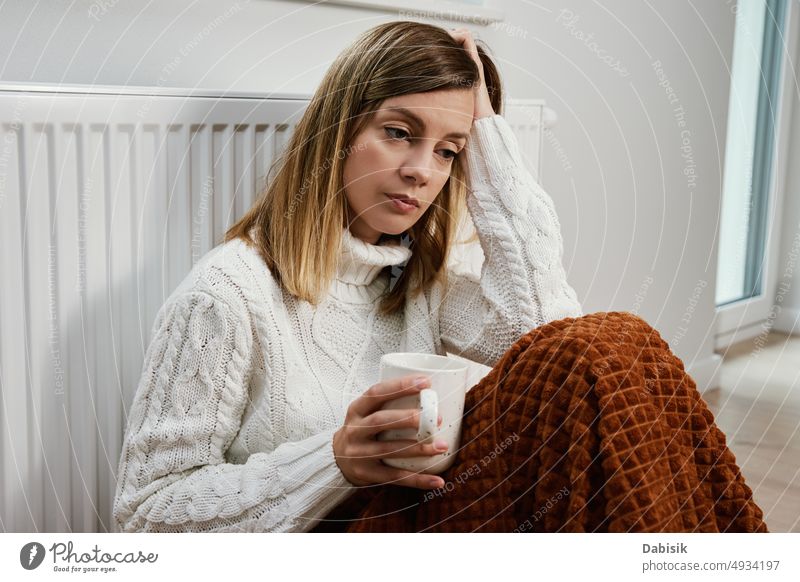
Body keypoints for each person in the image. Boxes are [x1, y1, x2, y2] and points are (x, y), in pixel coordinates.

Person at [112, 21, 765, 533]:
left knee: (613, 343)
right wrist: (333, 462)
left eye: (447, 151)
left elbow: (558, 345)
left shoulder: (420, 281)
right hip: (337, 540)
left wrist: (486, 133)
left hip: (423, 516)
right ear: (337, 133)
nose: (423, 170)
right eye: (400, 133)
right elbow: (142, 516)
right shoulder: (228, 293)